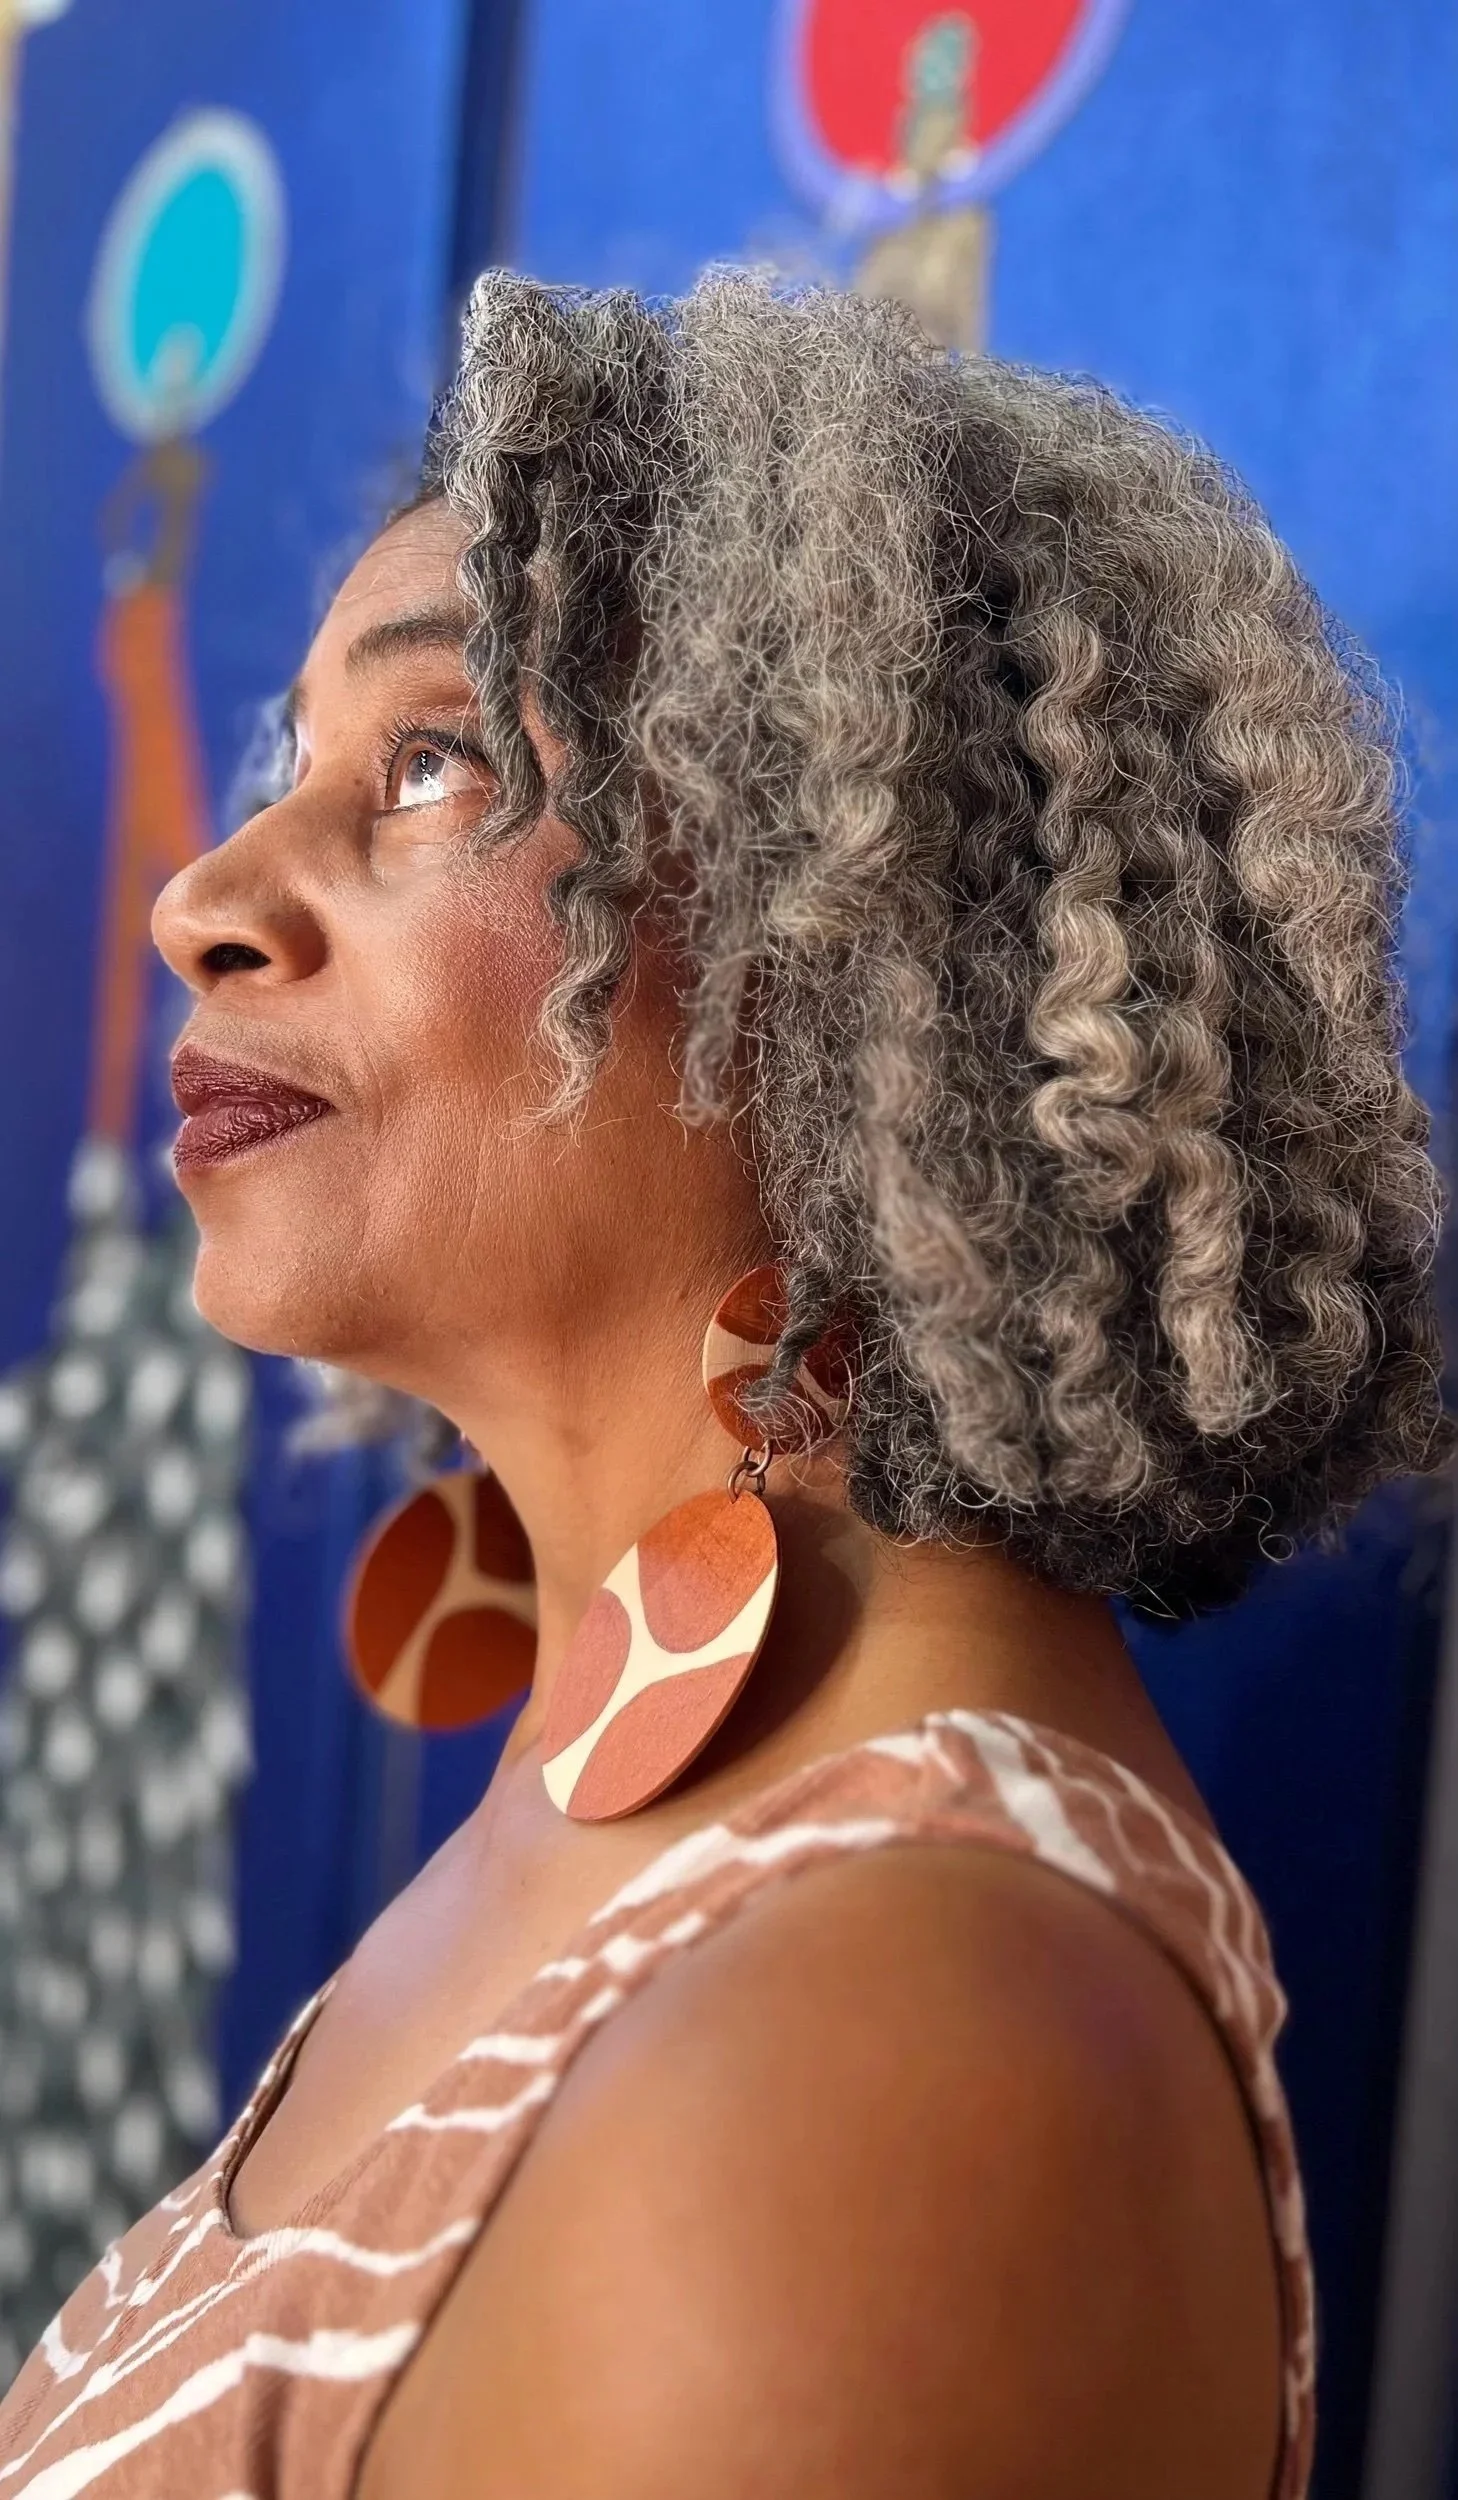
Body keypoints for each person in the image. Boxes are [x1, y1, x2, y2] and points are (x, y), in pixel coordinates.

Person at [0, 270, 1445, 2500]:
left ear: (846, 930)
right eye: (291, 766)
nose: (204, 895)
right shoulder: (658, 1842)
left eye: (432, 760)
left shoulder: (905, 2036)